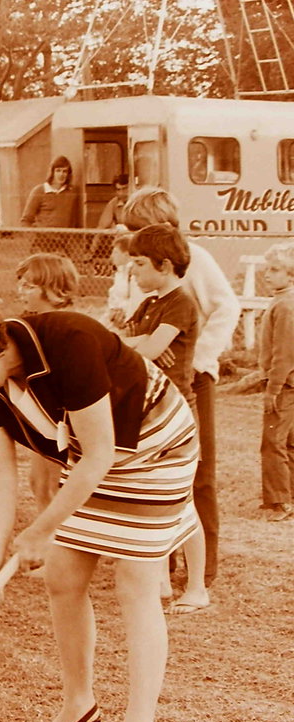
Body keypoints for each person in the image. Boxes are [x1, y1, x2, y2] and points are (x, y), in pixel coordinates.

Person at [0, 302, 199, 722]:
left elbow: (103, 452)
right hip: (92, 457)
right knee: (63, 578)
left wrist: (40, 531)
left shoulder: (69, 339)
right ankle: (78, 703)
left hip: (155, 447)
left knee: (135, 580)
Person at [121, 187, 240, 588]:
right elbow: (130, 311)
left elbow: (226, 306)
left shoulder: (196, 259)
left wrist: (199, 355)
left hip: (192, 377)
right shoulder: (138, 262)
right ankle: (160, 562)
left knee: (197, 472)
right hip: (151, 377)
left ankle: (201, 570)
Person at [120, 224, 208, 615]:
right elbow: (119, 345)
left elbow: (150, 349)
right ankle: (158, 582)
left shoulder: (180, 303)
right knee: (146, 495)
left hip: (175, 415)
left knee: (182, 502)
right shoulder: (148, 304)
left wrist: (144, 346)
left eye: (139, 264)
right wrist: (142, 345)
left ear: (165, 264)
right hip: (146, 411)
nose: (133, 272)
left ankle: (197, 586)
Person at [14, 253, 79, 519]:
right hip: (47, 420)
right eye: (20, 283)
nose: (21, 291)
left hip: (73, 422)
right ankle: (53, 546)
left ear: (53, 290)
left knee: (57, 486)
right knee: (40, 484)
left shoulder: (69, 327)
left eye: (29, 286)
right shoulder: (28, 325)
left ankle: (63, 545)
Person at [257, 240, 294, 522]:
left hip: (284, 385)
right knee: (289, 442)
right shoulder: (283, 300)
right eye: (267, 269)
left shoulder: (285, 306)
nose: (267, 274)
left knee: (273, 442)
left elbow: (283, 353)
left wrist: (272, 389)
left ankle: (280, 501)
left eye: (275, 269)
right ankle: (287, 494)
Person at [20, 155, 82, 231]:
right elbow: (26, 220)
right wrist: (33, 237)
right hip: (43, 240)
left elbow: (76, 221)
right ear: (52, 172)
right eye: (58, 170)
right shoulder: (39, 191)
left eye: (64, 171)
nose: (61, 174)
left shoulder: (72, 192)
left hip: (64, 240)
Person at [104, 232, 148, 330]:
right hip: (113, 316)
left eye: (115, 252)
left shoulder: (134, 274)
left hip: (127, 319)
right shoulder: (120, 272)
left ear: (126, 255)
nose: (111, 256)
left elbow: (137, 301)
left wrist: (121, 311)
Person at [88, 173, 130, 263]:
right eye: (119, 190)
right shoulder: (114, 203)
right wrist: (91, 252)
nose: (122, 193)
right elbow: (101, 227)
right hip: (121, 242)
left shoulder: (139, 201)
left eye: (125, 189)